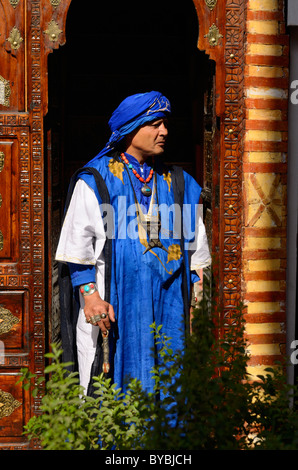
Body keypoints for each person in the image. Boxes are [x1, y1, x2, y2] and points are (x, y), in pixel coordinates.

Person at [55, 91, 211, 397]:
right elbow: (78, 247)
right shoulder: (96, 179)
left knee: (170, 385)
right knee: (112, 392)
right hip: (116, 307)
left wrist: (197, 301)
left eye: (165, 123)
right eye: (154, 123)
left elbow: (196, 252)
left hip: (171, 308)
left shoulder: (177, 183)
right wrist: (91, 298)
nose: (164, 131)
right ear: (130, 128)